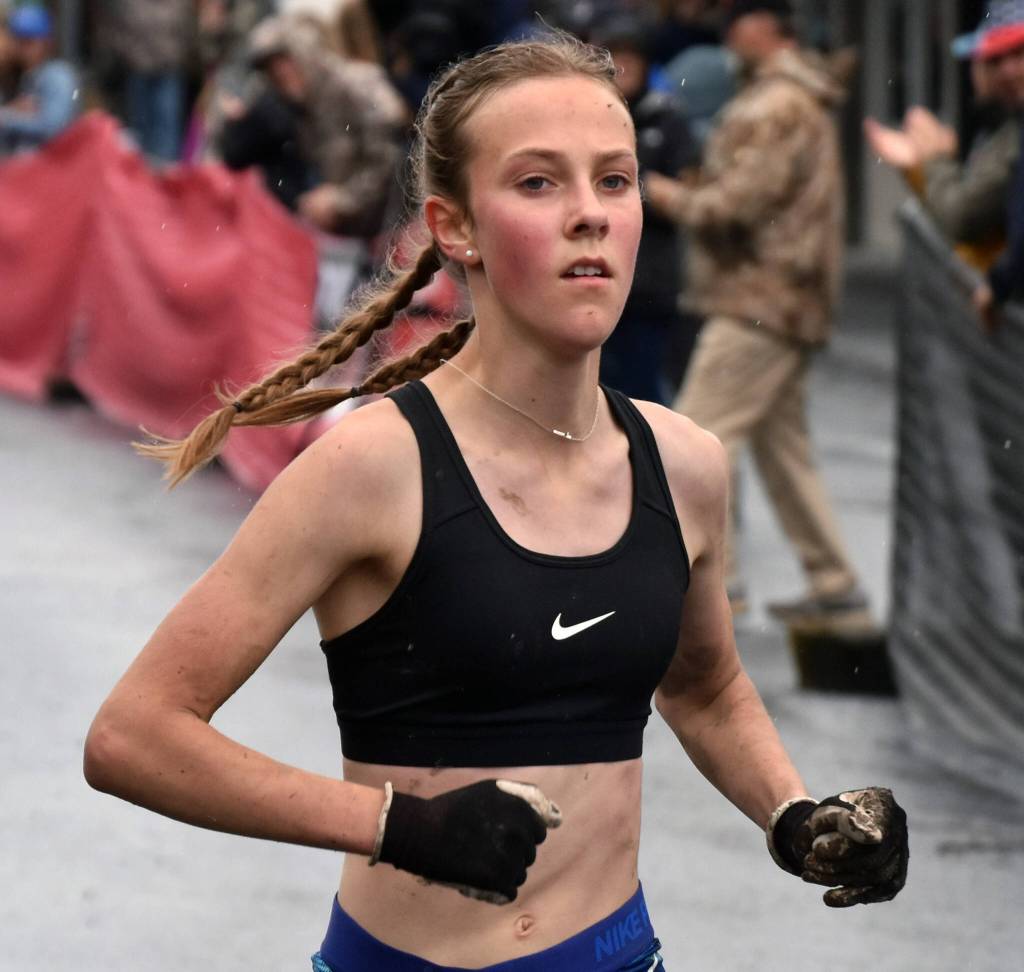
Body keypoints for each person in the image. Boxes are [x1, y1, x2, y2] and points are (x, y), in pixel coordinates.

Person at [84, 32, 908, 971]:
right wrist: (398, 826)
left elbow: (703, 685)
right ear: (455, 226)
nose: (590, 216)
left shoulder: (684, 463)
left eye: (616, 179)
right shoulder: (369, 468)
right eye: (538, 183)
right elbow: (133, 735)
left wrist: (797, 816)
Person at [643, 0, 866, 621]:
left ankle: (718, 589)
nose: (728, 32)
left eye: (739, 17)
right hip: (779, 295)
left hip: (758, 298)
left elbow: (737, 205)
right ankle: (836, 588)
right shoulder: (789, 98)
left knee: (696, 437)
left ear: (768, 25)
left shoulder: (775, 103)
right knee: (782, 450)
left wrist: (660, 191)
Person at [864, 1, 1024, 274]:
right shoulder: (1004, 127)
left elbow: (963, 216)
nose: (1008, 71)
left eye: (1019, 52)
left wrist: (931, 160)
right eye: (994, 59)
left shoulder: (1012, 137)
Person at [593, 16, 701, 404]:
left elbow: (687, 194)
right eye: (615, 62)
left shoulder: (667, 118)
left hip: (650, 278)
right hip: (593, 270)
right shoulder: (589, 117)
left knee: (644, 391)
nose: (624, 72)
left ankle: (650, 462)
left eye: (632, 62)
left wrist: (637, 188)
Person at [99, 0, 195, 163]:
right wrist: (130, 54)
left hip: (168, 69)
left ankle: (165, 175)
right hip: (138, 69)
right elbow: (119, 29)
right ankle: (141, 177)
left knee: (166, 126)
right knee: (139, 129)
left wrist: (179, 57)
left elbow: (187, 32)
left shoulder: (179, 5)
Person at [0, 4, 78, 156]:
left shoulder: (58, 75)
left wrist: (6, 117)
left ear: (45, 42)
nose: (22, 49)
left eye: (29, 42)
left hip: (55, 166)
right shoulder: (22, 77)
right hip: (22, 167)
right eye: (18, 41)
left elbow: (54, 126)